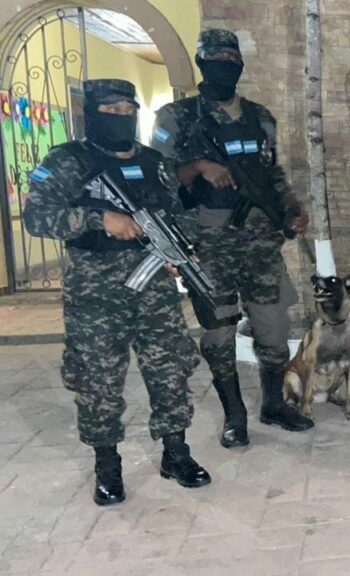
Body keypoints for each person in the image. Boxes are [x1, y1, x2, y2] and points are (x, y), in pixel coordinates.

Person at [23, 79, 211, 506]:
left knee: (170, 368)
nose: (122, 117)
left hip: (155, 289)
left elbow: (178, 212)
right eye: (112, 110)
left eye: (129, 110)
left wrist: (180, 248)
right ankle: (107, 464)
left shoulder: (154, 162)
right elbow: (37, 217)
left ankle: (176, 453)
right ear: (91, 113)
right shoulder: (67, 161)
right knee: (98, 378)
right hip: (95, 293)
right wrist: (99, 220)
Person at [152, 29, 313, 448]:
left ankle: (273, 404)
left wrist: (292, 209)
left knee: (274, 330)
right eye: (215, 58)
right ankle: (234, 415)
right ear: (201, 63)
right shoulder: (176, 118)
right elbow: (158, 178)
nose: (224, 65)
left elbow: (271, 174)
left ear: (239, 64)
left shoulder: (260, 118)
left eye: (230, 59)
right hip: (209, 247)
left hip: (261, 243)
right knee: (219, 336)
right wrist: (198, 167)